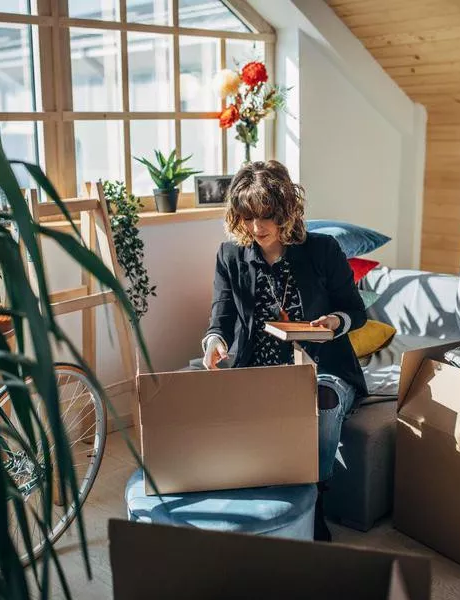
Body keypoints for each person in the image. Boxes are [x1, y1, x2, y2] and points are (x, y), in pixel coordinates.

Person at [201, 160, 368, 542]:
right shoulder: (230, 256)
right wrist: (214, 344)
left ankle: (315, 502)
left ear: (285, 212)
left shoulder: (323, 250)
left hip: (321, 368)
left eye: (266, 217)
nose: (257, 228)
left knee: (323, 399)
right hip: (258, 368)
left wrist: (335, 322)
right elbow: (219, 319)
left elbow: (355, 312)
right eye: (247, 217)